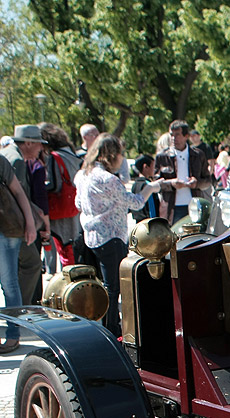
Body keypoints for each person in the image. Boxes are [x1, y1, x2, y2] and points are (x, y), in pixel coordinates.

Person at [75, 134, 162, 337]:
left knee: (102, 285)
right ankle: (111, 329)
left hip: (91, 235)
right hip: (111, 237)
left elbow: (78, 204)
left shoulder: (82, 175)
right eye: (121, 153)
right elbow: (136, 202)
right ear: (112, 154)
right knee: (113, 287)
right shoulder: (107, 179)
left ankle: (106, 326)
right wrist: (151, 187)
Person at [2, 124, 50, 305]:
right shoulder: (16, 160)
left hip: (10, 226)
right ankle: (21, 312)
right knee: (30, 265)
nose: (41, 148)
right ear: (28, 143)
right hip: (11, 226)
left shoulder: (7, 154)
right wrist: (32, 221)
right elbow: (16, 195)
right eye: (39, 144)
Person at [0, 154, 37, 353]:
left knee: (9, 283)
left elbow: (18, 192)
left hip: (6, 229)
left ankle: (13, 335)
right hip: (8, 231)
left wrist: (30, 224)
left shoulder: (0, 161)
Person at [39, 122, 82, 272]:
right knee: (71, 247)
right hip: (73, 207)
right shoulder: (72, 154)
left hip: (59, 209)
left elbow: (53, 185)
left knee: (61, 247)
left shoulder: (54, 157)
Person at [155, 120, 212, 224]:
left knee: (196, 237)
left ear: (186, 136)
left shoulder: (198, 155)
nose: (173, 138)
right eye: (171, 135)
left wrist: (196, 183)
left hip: (194, 206)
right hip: (171, 208)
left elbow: (208, 180)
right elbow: (155, 183)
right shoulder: (162, 157)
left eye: (177, 135)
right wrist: (171, 184)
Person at [130, 154, 164, 221]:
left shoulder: (135, 185)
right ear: (145, 167)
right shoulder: (149, 186)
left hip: (138, 224)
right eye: (153, 167)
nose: (154, 170)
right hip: (149, 224)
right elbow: (152, 210)